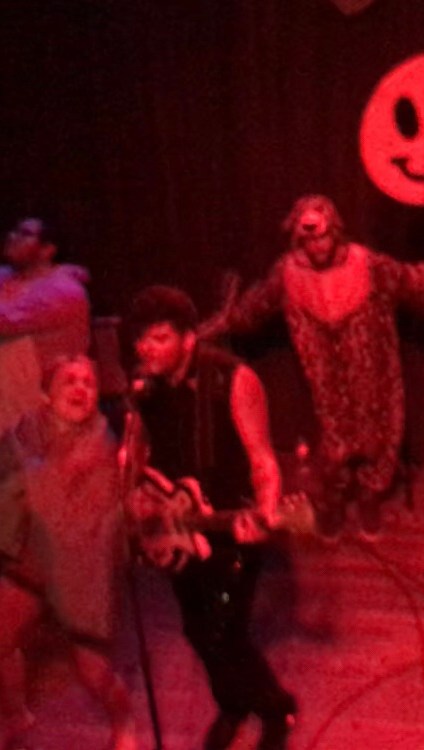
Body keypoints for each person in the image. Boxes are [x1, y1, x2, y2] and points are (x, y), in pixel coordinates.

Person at [201, 194, 424, 538]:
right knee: (334, 445)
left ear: (336, 232)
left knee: (379, 436)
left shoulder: (368, 265)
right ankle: (333, 502)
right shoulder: (288, 274)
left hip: (374, 375)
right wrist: (221, 324)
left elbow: (411, 281)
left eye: (323, 237)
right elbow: (254, 308)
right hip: (326, 381)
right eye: (309, 240)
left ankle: (370, 495)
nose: (317, 246)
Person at [128, 285, 296, 750]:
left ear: (188, 338)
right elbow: (139, 455)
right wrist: (139, 501)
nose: (146, 349)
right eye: (141, 339)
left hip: (229, 525)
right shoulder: (146, 390)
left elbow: (263, 459)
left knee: (226, 632)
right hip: (177, 528)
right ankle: (232, 705)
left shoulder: (233, 379)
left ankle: (276, 708)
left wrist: (264, 512)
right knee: (197, 630)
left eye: (159, 338)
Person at [0, 355, 135, 750]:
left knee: (93, 670)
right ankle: (15, 716)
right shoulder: (25, 431)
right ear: (47, 393)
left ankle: (124, 724)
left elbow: (60, 503)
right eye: (69, 382)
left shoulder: (103, 445)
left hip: (81, 572)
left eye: (88, 383)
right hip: (32, 558)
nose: (80, 389)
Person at [0, 217, 91, 432]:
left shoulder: (62, 292)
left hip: (40, 412)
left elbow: (4, 322)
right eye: (14, 231)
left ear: (47, 250)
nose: (12, 237)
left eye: (25, 234)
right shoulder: (7, 276)